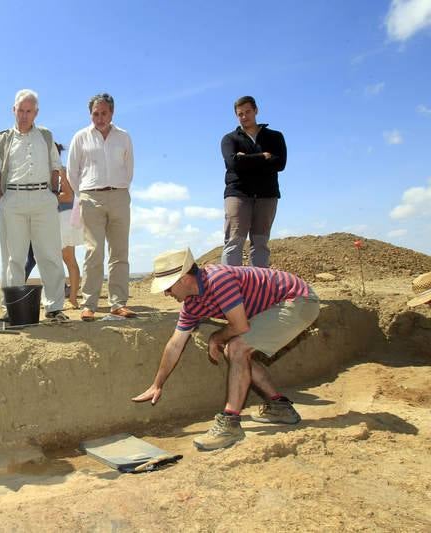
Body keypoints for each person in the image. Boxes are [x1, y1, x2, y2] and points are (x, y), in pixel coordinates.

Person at [133, 248, 320, 451]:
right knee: (234, 350)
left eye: (168, 287)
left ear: (184, 279)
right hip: (277, 306)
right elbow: (175, 344)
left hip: (298, 301)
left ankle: (230, 423)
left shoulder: (218, 280)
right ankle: (279, 407)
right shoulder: (192, 304)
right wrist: (157, 384)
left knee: (237, 347)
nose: (166, 293)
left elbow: (240, 327)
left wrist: (216, 337)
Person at [0, 89, 68, 323]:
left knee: (50, 255)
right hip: (12, 200)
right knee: (13, 258)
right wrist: (2, 200)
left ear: (36, 112)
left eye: (29, 111)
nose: (24, 115)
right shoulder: (2, 138)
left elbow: (56, 167)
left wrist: (53, 195)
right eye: (20, 110)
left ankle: (54, 308)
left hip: (43, 199)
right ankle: (11, 308)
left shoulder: (45, 135)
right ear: (13, 110)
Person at [67, 93, 135, 322]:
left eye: (103, 113)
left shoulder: (123, 137)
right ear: (90, 114)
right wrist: (85, 193)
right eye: (95, 113)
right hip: (90, 199)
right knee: (93, 252)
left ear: (112, 113)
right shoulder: (80, 137)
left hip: (119, 196)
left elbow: (129, 168)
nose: (99, 118)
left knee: (119, 252)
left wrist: (118, 189)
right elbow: (72, 172)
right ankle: (89, 305)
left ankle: (118, 304)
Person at [220, 95, 287, 267]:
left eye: (247, 112)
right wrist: (263, 157)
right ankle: (229, 289)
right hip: (238, 194)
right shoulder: (230, 139)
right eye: (240, 114)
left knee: (260, 244)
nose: (244, 116)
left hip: (267, 195)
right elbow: (233, 163)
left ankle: (259, 290)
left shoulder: (275, 137)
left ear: (256, 111)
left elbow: (280, 164)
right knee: (234, 243)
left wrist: (246, 159)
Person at [24, 143, 82, 309]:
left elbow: (69, 196)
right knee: (47, 261)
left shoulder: (63, 171)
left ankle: (72, 299)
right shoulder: (41, 173)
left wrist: (46, 198)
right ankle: (51, 297)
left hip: (63, 219)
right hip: (47, 220)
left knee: (69, 260)